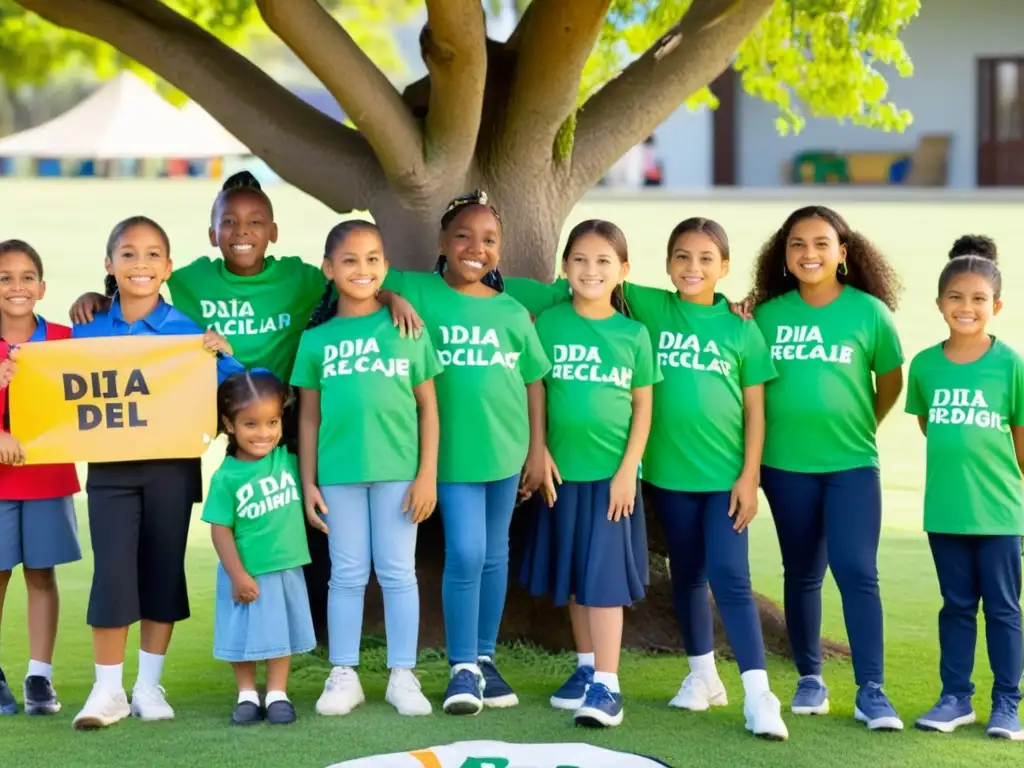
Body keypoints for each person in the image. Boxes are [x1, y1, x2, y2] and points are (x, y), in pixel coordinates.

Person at [501, 219, 789, 739]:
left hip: (704, 478)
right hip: (661, 481)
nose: (693, 268)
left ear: (725, 267)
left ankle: (757, 694)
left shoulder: (728, 328)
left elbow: (747, 411)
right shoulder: (628, 309)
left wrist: (750, 477)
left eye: (706, 259)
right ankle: (698, 676)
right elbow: (538, 299)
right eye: (682, 256)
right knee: (680, 576)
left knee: (728, 578)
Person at [68, 216, 244, 730]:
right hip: (109, 473)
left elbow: (234, 388)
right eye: (127, 254)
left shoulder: (189, 333)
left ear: (168, 268)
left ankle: (147, 685)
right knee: (113, 574)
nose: (139, 264)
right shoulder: (88, 329)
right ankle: (107, 690)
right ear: (109, 265)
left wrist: (227, 355)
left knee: (163, 571)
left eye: (151, 255)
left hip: (171, 470)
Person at [381, 191, 551, 716]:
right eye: (463, 236)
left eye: (489, 240)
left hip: (506, 452)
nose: (475, 248)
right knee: (468, 553)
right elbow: (362, 281)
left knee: (496, 554)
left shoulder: (512, 312)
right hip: (448, 456)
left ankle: (483, 658)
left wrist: (538, 450)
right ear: (441, 242)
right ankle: (460, 666)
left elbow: (535, 382)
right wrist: (393, 300)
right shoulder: (418, 290)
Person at [748, 205, 905, 731]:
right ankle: (810, 677)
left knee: (858, 570)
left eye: (820, 243)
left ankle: (872, 691)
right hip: (785, 467)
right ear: (783, 254)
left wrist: (860, 426)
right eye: (797, 244)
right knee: (803, 571)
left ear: (843, 252)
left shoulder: (869, 313)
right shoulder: (766, 316)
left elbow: (889, 384)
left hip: (852, 464)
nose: (808, 253)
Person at [292, 221, 441, 718]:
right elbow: (308, 416)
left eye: (373, 258)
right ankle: (344, 674)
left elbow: (428, 409)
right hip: (338, 475)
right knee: (347, 575)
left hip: (400, 471)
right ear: (329, 270)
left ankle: (403, 674)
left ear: (386, 267)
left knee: (399, 573)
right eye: (350, 260)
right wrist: (308, 481)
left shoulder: (406, 327)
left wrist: (427, 475)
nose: (363, 269)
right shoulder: (316, 341)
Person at [519, 220, 658, 729]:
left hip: (611, 480)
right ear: (564, 267)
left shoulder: (633, 334)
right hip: (562, 475)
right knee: (577, 577)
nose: (591, 270)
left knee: (602, 582)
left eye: (604, 262)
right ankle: (584, 668)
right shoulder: (548, 324)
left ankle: (608, 684)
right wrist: (538, 449)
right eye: (580, 260)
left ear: (623, 271)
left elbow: (643, 408)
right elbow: (536, 389)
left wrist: (628, 472)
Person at [906, 242, 1024, 739]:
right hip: (946, 511)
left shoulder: (1011, 365)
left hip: (999, 514)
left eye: (979, 299)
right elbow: (932, 426)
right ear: (939, 304)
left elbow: (1019, 444)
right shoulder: (926, 366)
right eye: (956, 297)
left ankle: (1007, 703)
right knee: (956, 606)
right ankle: (955, 698)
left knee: (1002, 609)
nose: (967, 308)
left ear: (996, 306)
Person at [203, 371, 315, 726]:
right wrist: (237, 575)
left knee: (280, 633)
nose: (263, 433)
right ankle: (247, 693)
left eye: (272, 422)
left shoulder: (287, 459)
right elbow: (220, 530)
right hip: (246, 572)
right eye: (250, 424)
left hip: (284, 567)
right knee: (243, 634)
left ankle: (278, 693)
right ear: (229, 424)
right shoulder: (226, 476)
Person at [0, 240, 81, 716]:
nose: (17, 286)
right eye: (5, 277)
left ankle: (39, 676)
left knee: (41, 574)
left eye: (27, 276)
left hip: (47, 475)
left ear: (43, 287)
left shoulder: (65, 338)